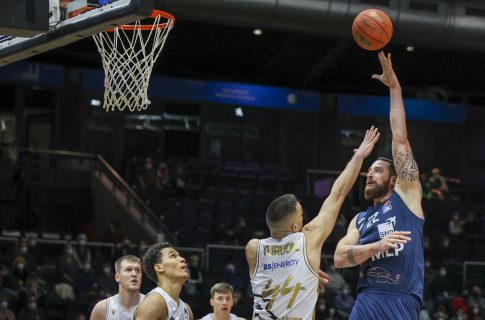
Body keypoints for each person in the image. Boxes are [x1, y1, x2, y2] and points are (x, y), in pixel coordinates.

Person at [246, 126, 380, 319]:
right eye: (301, 215)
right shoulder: (308, 239)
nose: (303, 218)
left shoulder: (253, 248)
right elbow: (337, 195)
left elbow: (276, 269)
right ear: (294, 227)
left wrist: (304, 272)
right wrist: (358, 157)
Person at [334, 51, 425, 320]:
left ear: (394, 179)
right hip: (366, 298)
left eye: (378, 170)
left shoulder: (406, 197)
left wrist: (395, 88)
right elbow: (339, 257)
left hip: (401, 300)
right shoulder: (360, 220)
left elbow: (400, 139)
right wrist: (377, 246)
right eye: (368, 171)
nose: (369, 175)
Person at [134, 243, 193, 320]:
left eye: (179, 255)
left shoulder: (187, 310)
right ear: (159, 267)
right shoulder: (154, 302)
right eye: (173, 256)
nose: (182, 259)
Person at [90, 255, 144, 320]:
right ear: (117, 277)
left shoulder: (153, 305)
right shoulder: (102, 309)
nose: (134, 274)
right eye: (128, 270)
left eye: (138, 270)